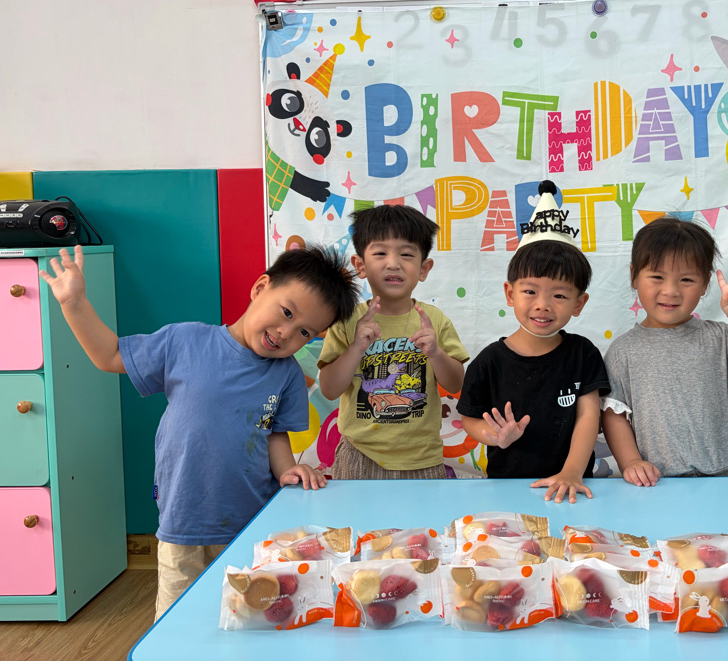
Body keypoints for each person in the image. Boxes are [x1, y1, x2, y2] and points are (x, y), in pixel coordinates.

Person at [40, 243, 359, 619]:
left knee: (246, 616)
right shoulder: (185, 341)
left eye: (304, 331)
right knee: (177, 619)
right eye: (286, 312)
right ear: (260, 288)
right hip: (184, 519)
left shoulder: (287, 374)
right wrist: (74, 304)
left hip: (251, 523)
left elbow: (275, 433)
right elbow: (109, 355)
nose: (285, 332)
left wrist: (288, 469)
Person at [600, 217, 728, 486]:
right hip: (655, 485)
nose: (670, 291)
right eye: (657, 277)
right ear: (634, 277)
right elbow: (614, 414)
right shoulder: (622, 351)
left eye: (686, 279)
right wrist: (630, 462)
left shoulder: (723, 337)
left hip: (724, 481)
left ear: (705, 284)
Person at [456, 181, 608, 503]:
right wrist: (495, 436)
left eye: (559, 295)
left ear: (579, 303)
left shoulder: (582, 353)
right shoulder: (489, 362)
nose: (543, 305)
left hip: (573, 488)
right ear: (510, 293)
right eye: (530, 291)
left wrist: (572, 472)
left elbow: (588, 417)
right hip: (507, 490)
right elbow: (470, 417)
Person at [318, 204, 468, 479]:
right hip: (359, 454)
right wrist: (356, 348)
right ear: (360, 266)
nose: (393, 263)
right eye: (380, 253)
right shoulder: (347, 320)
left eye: (406, 254)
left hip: (422, 456)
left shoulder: (434, 320)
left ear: (424, 268)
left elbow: (455, 383)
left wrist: (436, 353)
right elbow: (329, 389)